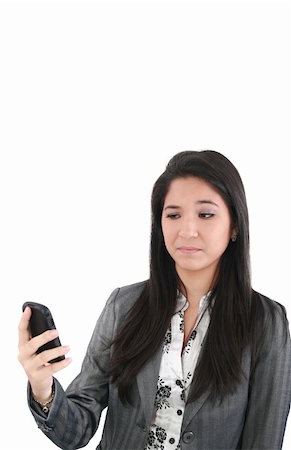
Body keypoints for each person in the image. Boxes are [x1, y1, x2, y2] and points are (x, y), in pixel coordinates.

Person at [18, 150, 291, 450]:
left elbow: (264, 442)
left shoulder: (266, 322)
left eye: (205, 214)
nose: (187, 230)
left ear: (235, 225)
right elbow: (76, 430)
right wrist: (44, 389)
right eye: (173, 214)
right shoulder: (124, 305)